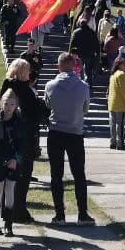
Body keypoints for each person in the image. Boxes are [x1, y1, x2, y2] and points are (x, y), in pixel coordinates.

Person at [44, 51, 95, 225]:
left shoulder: (50, 85)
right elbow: (86, 109)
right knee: (79, 174)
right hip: (75, 132)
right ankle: (82, 214)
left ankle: (59, 215)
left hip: (56, 131)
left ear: (58, 66)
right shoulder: (83, 86)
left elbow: (48, 105)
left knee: (56, 175)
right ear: (74, 65)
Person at [0, 58, 46, 223]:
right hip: (24, 140)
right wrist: (40, 103)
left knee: (8, 176)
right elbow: (33, 116)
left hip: (7, 138)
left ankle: (6, 210)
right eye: (27, 71)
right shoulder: (26, 91)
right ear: (23, 72)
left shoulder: (6, 87)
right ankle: (18, 210)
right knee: (23, 175)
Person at [0, 89, 25, 236]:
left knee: (10, 189)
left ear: (16, 105)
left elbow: (23, 145)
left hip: (13, 161)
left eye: (12, 104)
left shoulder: (19, 122)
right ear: (1, 103)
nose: (9, 106)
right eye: (6, 103)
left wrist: (16, 160)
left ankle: (8, 225)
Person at [108, 57, 125, 149]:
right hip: (121, 104)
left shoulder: (113, 75)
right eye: (124, 64)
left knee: (113, 124)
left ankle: (113, 142)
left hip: (112, 104)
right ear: (119, 65)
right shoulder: (122, 75)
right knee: (120, 125)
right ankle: (120, 143)